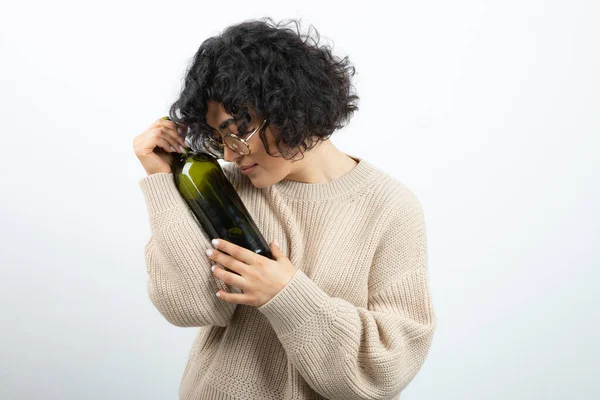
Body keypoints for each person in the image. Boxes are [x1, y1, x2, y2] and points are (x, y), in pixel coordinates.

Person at [133, 18, 436, 400]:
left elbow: (384, 369)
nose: (228, 153)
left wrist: (286, 295)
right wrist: (163, 182)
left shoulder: (391, 208)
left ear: (290, 107)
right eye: (217, 137)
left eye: (236, 130)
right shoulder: (224, 189)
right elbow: (191, 307)